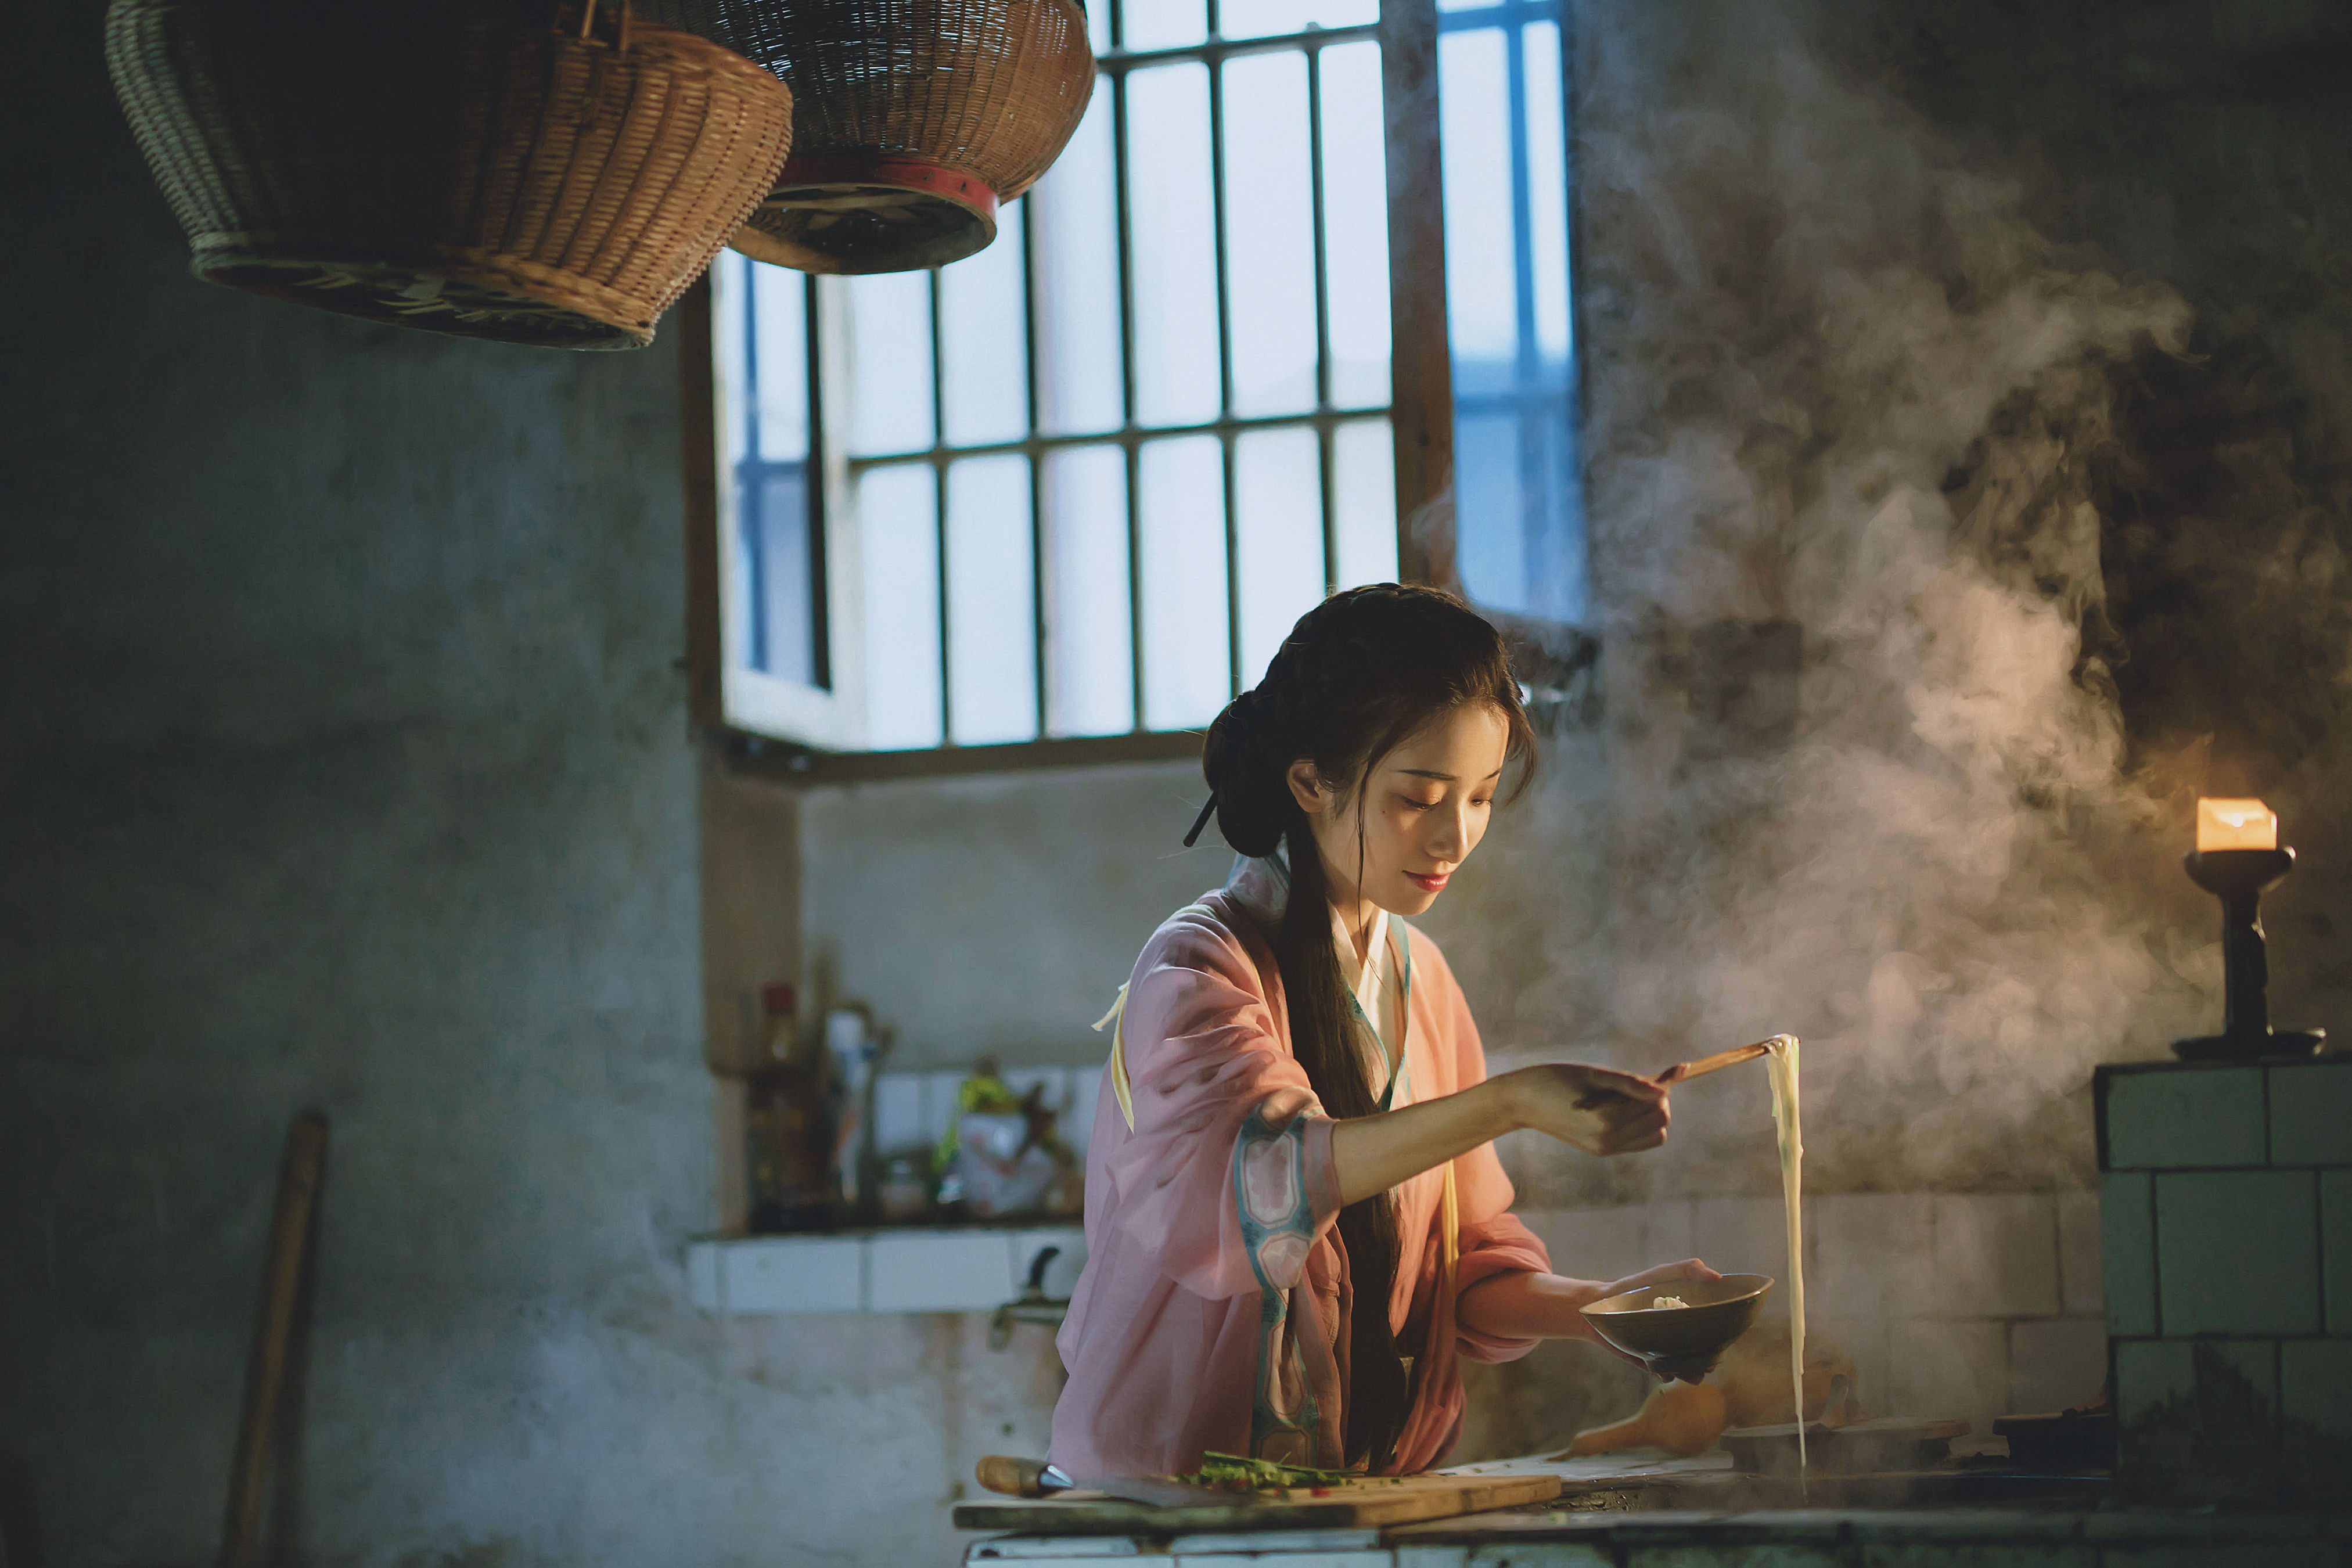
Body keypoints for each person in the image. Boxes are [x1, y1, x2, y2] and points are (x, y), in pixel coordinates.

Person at [1051, 584, 1718, 1477]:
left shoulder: (1422, 980)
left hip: (1354, 1485)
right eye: (1419, 796)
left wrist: (1609, 1307)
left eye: (1479, 798)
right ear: (1308, 780)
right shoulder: (1198, 968)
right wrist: (1509, 1103)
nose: (1454, 836)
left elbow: (1453, 1272)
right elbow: (1260, 1180)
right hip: (1171, 1499)